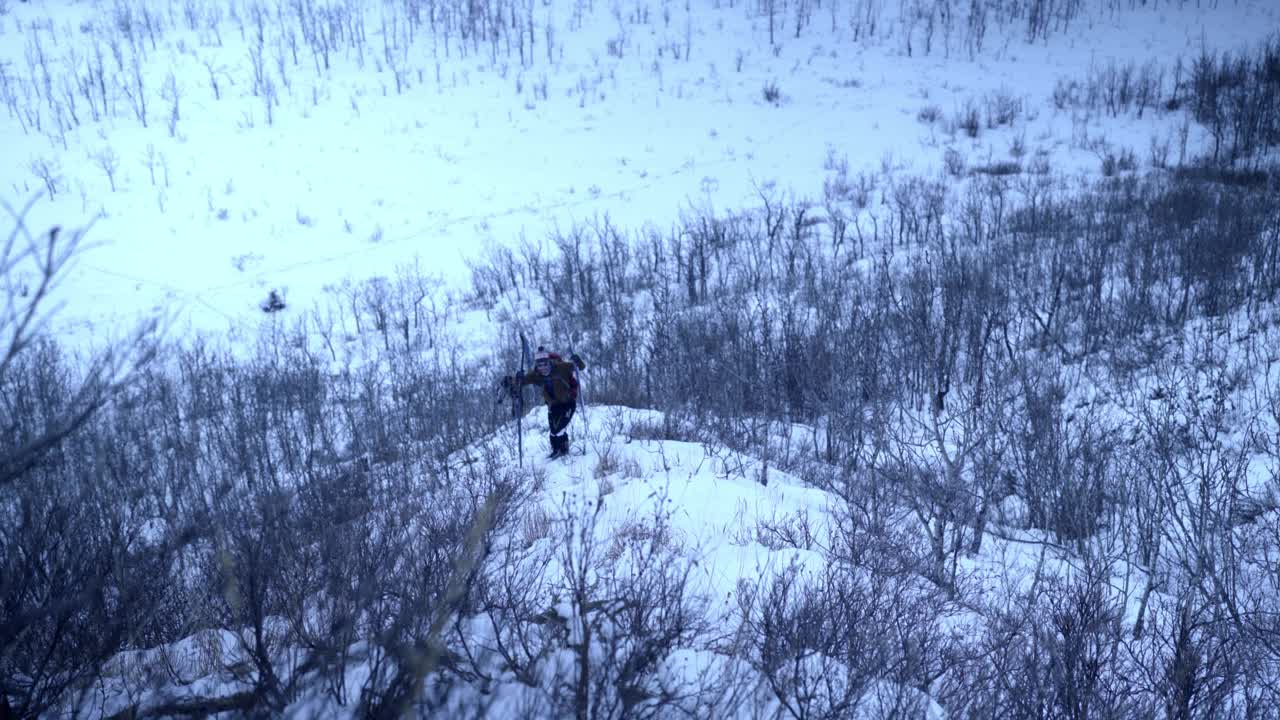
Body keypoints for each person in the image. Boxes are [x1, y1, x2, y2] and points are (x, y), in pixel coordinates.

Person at [505, 346, 586, 458]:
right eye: (539, 365)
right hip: (552, 405)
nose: (543, 368)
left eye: (545, 364)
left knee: (559, 429)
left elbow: (580, 367)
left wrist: (577, 360)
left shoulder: (562, 367)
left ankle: (564, 450)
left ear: (549, 362)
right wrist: (513, 379)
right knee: (553, 431)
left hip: (568, 402)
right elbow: (522, 381)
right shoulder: (536, 374)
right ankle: (557, 450)